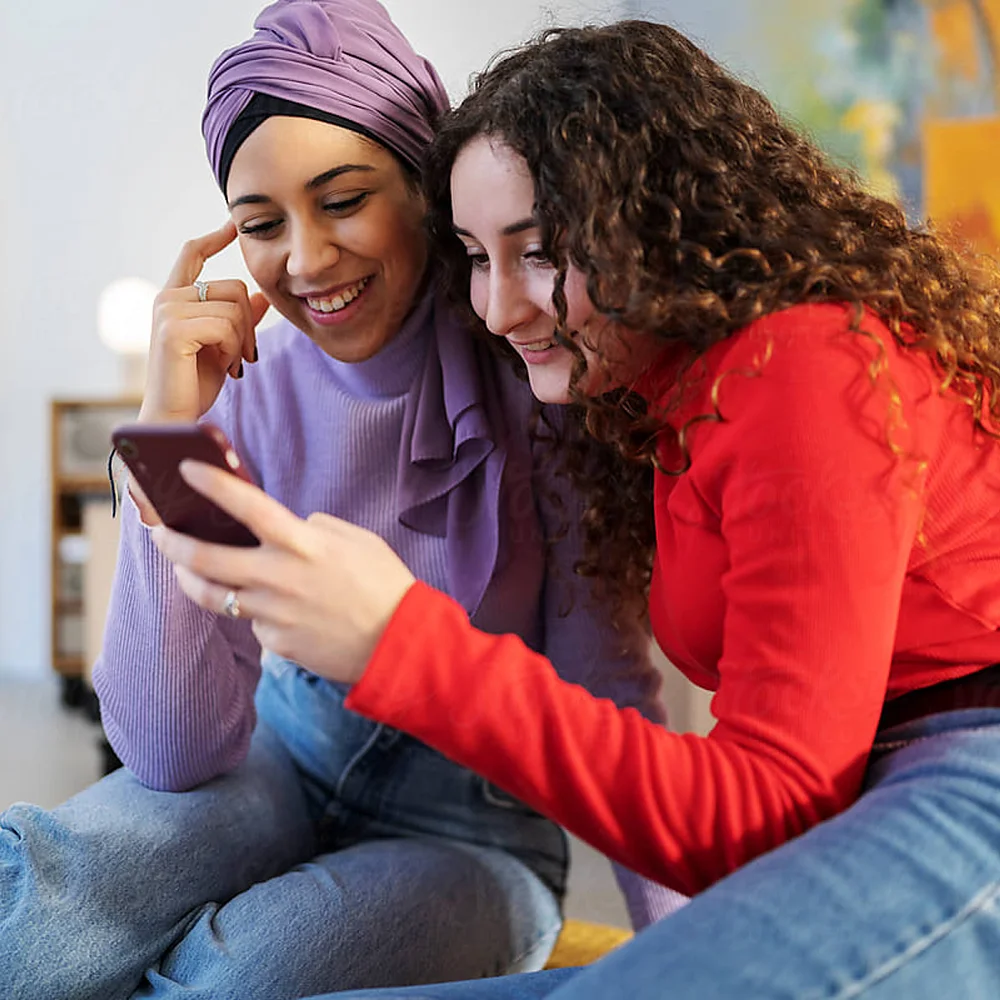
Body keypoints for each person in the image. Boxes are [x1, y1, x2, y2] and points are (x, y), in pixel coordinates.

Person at [149, 17, 1000, 999]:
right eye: (473, 255)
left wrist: (399, 640)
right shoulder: (662, 410)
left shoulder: (800, 363)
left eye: (540, 251)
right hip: (871, 800)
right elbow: (168, 742)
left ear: (666, 219)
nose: (498, 307)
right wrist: (161, 424)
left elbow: (762, 812)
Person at [0, 7, 682, 1000]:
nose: (308, 259)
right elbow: (175, 750)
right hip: (278, 756)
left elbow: (609, 690)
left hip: (475, 823)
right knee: (35, 921)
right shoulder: (250, 390)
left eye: (344, 200)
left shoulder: (536, 389)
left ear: (423, 184)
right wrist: (166, 435)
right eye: (263, 224)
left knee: (247, 978)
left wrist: (700, 949)